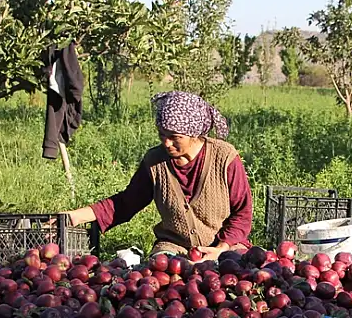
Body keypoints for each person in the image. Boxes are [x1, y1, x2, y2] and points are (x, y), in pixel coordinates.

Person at [62, 91, 253, 260]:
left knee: (239, 268)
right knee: (162, 275)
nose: (167, 143)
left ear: (194, 134)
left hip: (224, 246)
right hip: (174, 247)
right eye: (162, 135)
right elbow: (126, 203)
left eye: (174, 137)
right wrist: (75, 216)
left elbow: (242, 213)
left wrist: (221, 248)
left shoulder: (224, 157)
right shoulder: (155, 161)